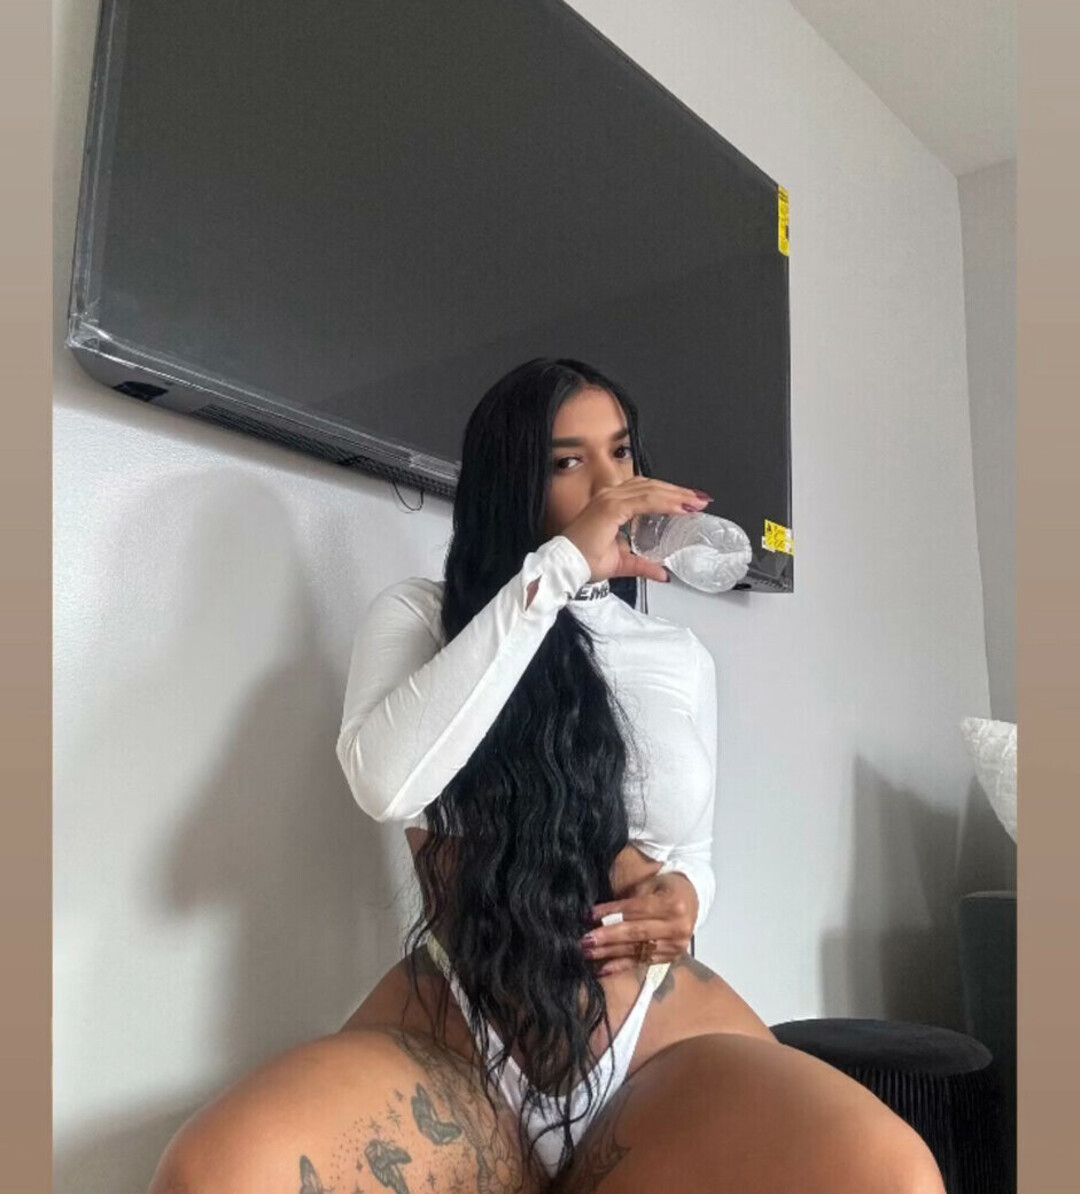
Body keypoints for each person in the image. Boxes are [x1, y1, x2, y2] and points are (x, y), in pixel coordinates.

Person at [148, 359, 946, 1193]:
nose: (611, 486)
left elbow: (693, 855)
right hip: (459, 1030)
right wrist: (560, 568)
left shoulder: (676, 656)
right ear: (512, 483)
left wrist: (688, 898)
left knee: (890, 1175)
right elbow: (388, 785)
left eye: (620, 453)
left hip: (652, 1034)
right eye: (569, 462)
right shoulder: (425, 618)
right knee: (211, 1175)